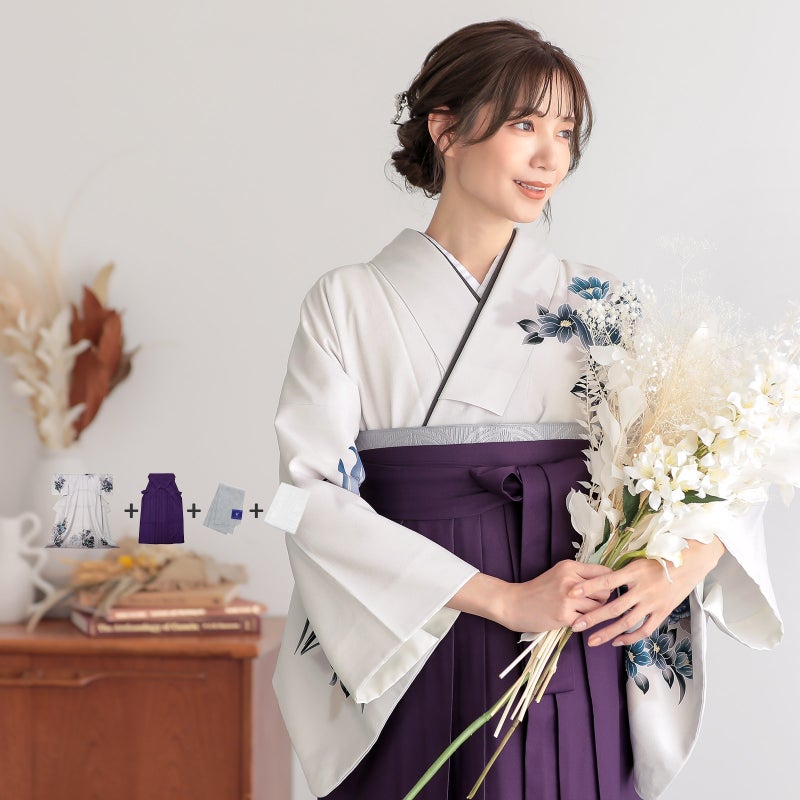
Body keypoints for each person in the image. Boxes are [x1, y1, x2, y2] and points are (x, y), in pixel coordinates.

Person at [266, 18, 782, 800]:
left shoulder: (601, 304)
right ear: (445, 129)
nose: (551, 157)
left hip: (576, 622)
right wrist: (505, 599)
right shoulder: (349, 301)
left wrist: (672, 569)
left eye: (566, 133)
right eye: (525, 125)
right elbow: (303, 498)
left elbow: (721, 460)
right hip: (423, 626)